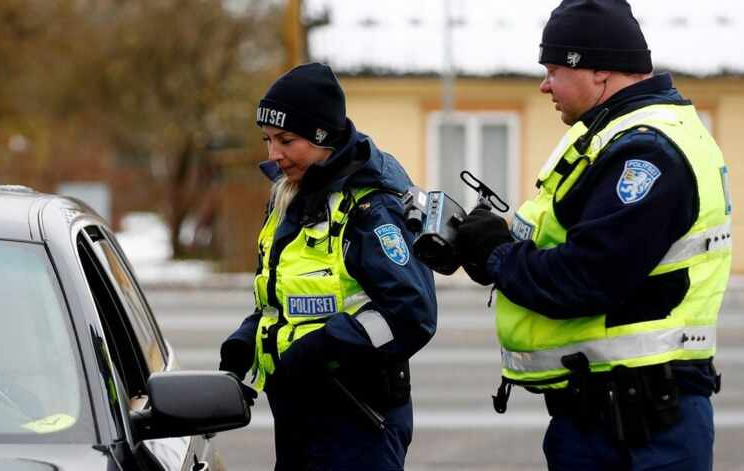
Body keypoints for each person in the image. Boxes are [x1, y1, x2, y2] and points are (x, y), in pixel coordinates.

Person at [453, 1, 731, 469]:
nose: (544, 85)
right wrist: (493, 241)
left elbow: (585, 277)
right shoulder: (613, 134)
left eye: (554, 69)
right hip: (608, 410)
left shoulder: (646, 152)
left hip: (639, 430)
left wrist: (498, 255)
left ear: (599, 72)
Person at [219, 62, 437, 470]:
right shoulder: (291, 196)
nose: (273, 155)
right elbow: (283, 296)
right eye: (267, 139)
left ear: (323, 136)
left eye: (286, 140)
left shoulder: (373, 206)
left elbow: (411, 313)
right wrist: (247, 341)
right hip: (300, 414)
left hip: (358, 422)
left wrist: (323, 351)